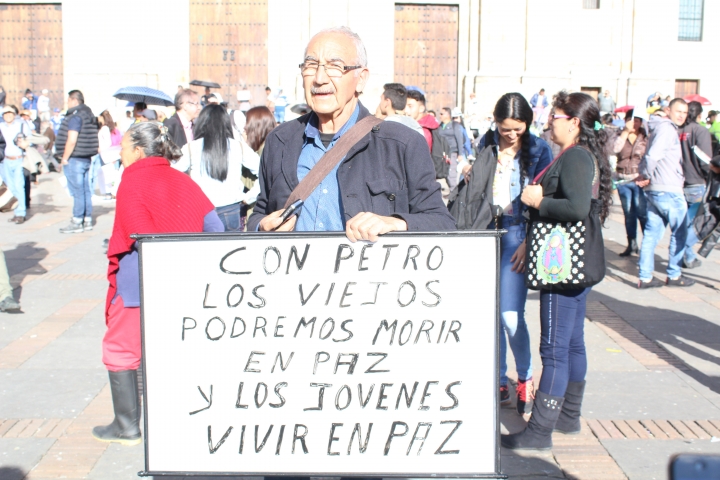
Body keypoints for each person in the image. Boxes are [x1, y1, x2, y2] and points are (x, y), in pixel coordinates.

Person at [247, 26, 455, 239]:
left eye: (335, 66)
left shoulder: (402, 144)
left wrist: (395, 222)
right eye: (311, 65)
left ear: (361, 79)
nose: (320, 78)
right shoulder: (279, 141)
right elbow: (260, 211)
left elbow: (443, 222)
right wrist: (261, 226)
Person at [92, 121, 223, 446]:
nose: (120, 154)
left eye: (122, 148)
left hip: (137, 284)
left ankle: (127, 426)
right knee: (174, 351)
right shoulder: (182, 180)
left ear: (137, 150)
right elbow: (216, 228)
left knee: (120, 350)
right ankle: (182, 425)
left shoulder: (131, 181)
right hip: (185, 283)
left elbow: (139, 233)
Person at [502, 91, 613, 450]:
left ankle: (539, 432)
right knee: (572, 342)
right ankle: (568, 418)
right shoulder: (581, 154)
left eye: (556, 116)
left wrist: (538, 201)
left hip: (561, 267)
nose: (550, 121)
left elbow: (577, 207)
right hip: (573, 265)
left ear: (574, 122)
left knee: (554, 350)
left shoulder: (577, 156)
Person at [456, 92, 553, 414]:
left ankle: (523, 376)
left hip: (516, 233)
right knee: (488, 313)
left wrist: (529, 240)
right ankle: (498, 378)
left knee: (510, 316)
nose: (511, 134)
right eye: (505, 128)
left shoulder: (539, 149)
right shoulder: (486, 143)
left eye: (518, 128)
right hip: (484, 232)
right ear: (495, 123)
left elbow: (544, 201)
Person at [172, 104, 260, 232]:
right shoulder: (238, 146)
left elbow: (172, 174)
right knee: (233, 251)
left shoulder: (191, 148)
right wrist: (250, 197)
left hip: (202, 211)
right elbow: (263, 171)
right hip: (231, 209)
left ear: (202, 122)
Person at [636, 99, 694, 288]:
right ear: (668, 110)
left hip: (656, 189)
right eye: (678, 111)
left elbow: (649, 156)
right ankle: (674, 275)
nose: (681, 115)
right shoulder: (667, 128)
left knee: (651, 234)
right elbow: (653, 156)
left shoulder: (657, 127)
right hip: (669, 189)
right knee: (679, 233)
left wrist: (647, 175)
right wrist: (646, 174)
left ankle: (645, 277)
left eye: (685, 112)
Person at [56, 90, 99, 233]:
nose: (67, 104)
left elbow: (72, 140)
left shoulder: (75, 117)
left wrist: (64, 158)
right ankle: (87, 219)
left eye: (68, 100)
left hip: (75, 158)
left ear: (74, 100)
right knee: (85, 190)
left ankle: (77, 220)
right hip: (86, 157)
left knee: (78, 191)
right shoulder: (89, 115)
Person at [679, 101, 713, 269]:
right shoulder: (700, 130)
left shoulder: (679, 130)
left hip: (680, 182)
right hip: (697, 183)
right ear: (699, 115)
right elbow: (706, 160)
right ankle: (683, 253)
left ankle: (687, 256)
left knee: (685, 224)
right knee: (697, 225)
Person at [613, 114, 648, 256]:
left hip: (638, 180)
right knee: (629, 213)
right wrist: (625, 133)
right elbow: (615, 149)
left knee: (642, 213)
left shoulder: (645, 137)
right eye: (631, 121)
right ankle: (631, 244)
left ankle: (647, 245)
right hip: (623, 180)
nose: (634, 124)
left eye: (637, 121)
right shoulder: (620, 135)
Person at [242, 106, 276, 223]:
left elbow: (261, 184)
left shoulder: (265, 151)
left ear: (256, 126)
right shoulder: (266, 147)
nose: (244, 127)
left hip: (258, 211)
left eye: (247, 123)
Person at [0, 105, 29, 224]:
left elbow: (30, 140)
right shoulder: (1, 127)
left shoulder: (21, 125)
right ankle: (17, 209)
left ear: (14, 114)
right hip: (6, 160)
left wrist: (25, 144)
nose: (8, 115)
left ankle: (21, 212)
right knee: (11, 187)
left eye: (10, 113)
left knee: (19, 186)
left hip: (18, 159)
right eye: (5, 114)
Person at [438, 107, 466, 194]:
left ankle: (454, 193)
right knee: (445, 173)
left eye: (442, 114)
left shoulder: (454, 125)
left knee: (451, 173)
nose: (440, 116)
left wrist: (460, 154)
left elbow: (459, 139)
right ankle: (451, 191)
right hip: (443, 153)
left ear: (448, 115)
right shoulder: (440, 126)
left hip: (453, 152)